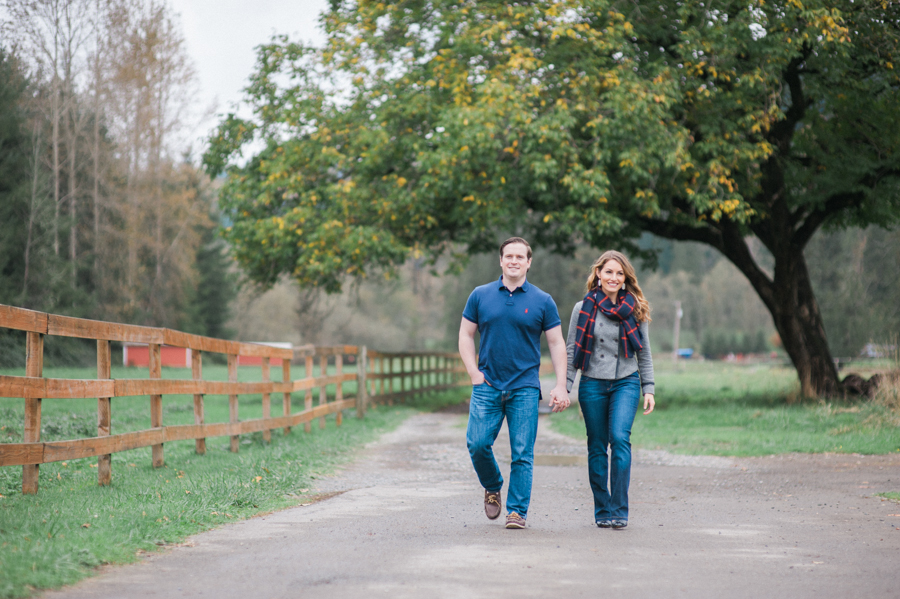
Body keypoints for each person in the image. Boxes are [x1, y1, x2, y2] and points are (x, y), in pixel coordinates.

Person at [459, 237, 570, 529]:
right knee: (477, 443)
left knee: (523, 452)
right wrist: (474, 373)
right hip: (488, 384)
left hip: (524, 387)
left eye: (520, 257)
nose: (514, 261)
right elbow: (466, 335)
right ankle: (493, 485)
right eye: (509, 256)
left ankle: (516, 511)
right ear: (500, 260)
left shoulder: (542, 301)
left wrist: (561, 385)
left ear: (529, 262)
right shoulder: (480, 295)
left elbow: (557, 343)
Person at [565, 250, 655, 529]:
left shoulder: (636, 308)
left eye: (619, 273)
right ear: (598, 275)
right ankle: (602, 510)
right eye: (608, 272)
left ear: (625, 278)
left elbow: (645, 353)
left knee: (619, 439)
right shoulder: (583, 308)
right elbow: (571, 351)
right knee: (596, 446)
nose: (613, 278)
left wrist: (648, 387)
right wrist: (565, 387)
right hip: (592, 383)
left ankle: (619, 509)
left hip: (626, 382)